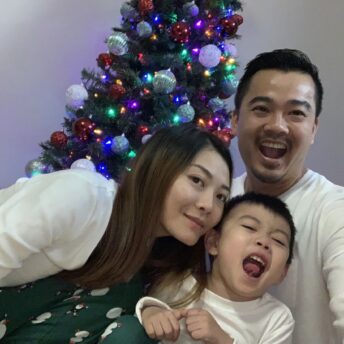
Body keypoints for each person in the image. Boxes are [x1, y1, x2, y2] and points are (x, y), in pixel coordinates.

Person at [0, 123, 232, 343]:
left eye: (221, 196)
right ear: (158, 168)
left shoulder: (151, 266)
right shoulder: (84, 195)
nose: (209, 205)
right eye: (197, 180)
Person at [230, 48, 344, 344]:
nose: (277, 126)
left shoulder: (334, 211)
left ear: (313, 128)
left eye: (296, 113)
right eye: (261, 109)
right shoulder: (214, 203)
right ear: (234, 120)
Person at [136, 192, 295, 344]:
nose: (264, 242)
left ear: (282, 273)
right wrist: (151, 311)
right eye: (249, 227)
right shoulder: (176, 283)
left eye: (278, 240)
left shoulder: (277, 318)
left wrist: (223, 340)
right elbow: (134, 317)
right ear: (213, 242)